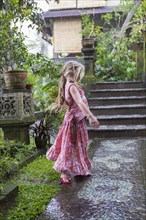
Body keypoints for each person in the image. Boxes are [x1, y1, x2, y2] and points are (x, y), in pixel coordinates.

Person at [46, 61, 100, 184]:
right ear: (75, 72)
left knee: (79, 145)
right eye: (80, 72)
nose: (81, 75)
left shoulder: (71, 84)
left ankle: (80, 168)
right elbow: (80, 103)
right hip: (74, 122)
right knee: (70, 146)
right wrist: (91, 116)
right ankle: (64, 173)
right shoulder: (72, 87)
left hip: (77, 121)